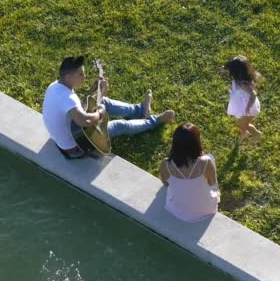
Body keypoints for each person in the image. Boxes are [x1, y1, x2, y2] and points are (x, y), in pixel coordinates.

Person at [42, 55, 175, 159]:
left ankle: (140, 109)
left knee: (103, 101)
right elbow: (86, 121)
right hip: (76, 145)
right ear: (69, 76)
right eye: (81, 74)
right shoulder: (68, 98)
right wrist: (100, 113)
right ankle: (155, 121)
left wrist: (95, 90)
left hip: (70, 132)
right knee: (119, 125)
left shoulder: (55, 86)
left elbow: (77, 108)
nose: (84, 76)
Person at [159, 123, 220, 222]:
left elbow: (166, 184)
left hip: (176, 210)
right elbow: (212, 183)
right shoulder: (206, 162)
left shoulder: (165, 164)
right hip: (206, 209)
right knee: (211, 157)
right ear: (196, 142)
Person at [221, 55, 262, 143]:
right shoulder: (243, 74)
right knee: (241, 123)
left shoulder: (243, 83)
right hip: (241, 104)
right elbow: (227, 67)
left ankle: (256, 133)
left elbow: (253, 94)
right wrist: (224, 68)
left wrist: (248, 107)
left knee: (244, 125)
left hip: (246, 108)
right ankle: (244, 133)